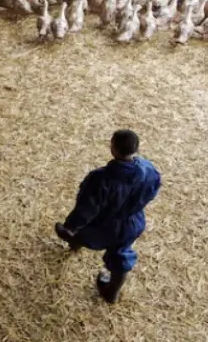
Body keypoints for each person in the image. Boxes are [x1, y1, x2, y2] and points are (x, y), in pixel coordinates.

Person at [54, 129, 161, 303]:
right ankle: (112, 292)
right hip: (133, 222)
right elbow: (152, 191)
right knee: (121, 255)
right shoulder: (149, 169)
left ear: (113, 149)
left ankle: (72, 239)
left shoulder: (101, 179)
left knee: (82, 232)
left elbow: (87, 209)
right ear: (136, 149)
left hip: (104, 226)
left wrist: (70, 225)